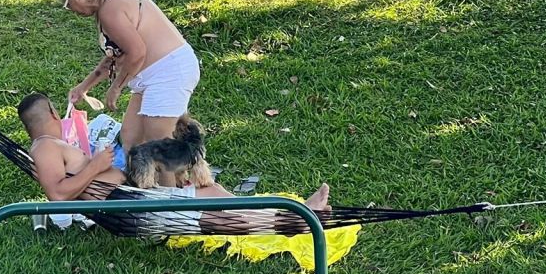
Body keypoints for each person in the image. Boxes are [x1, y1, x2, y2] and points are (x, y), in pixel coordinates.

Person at [17, 92, 330, 210]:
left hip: (130, 195)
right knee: (216, 198)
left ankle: (296, 212)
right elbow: (58, 196)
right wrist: (96, 166)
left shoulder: (49, 148)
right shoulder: (45, 148)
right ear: (56, 115)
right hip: (134, 203)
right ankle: (302, 216)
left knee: (216, 193)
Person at [56, 0, 200, 156]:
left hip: (168, 72)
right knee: (131, 138)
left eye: (68, 6)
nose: (73, 12)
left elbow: (137, 52)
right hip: (149, 77)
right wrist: (84, 87)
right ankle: (141, 182)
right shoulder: (107, 1)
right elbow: (116, 55)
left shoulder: (110, 9)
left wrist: (116, 89)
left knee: (157, 141)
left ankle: (170, 186)